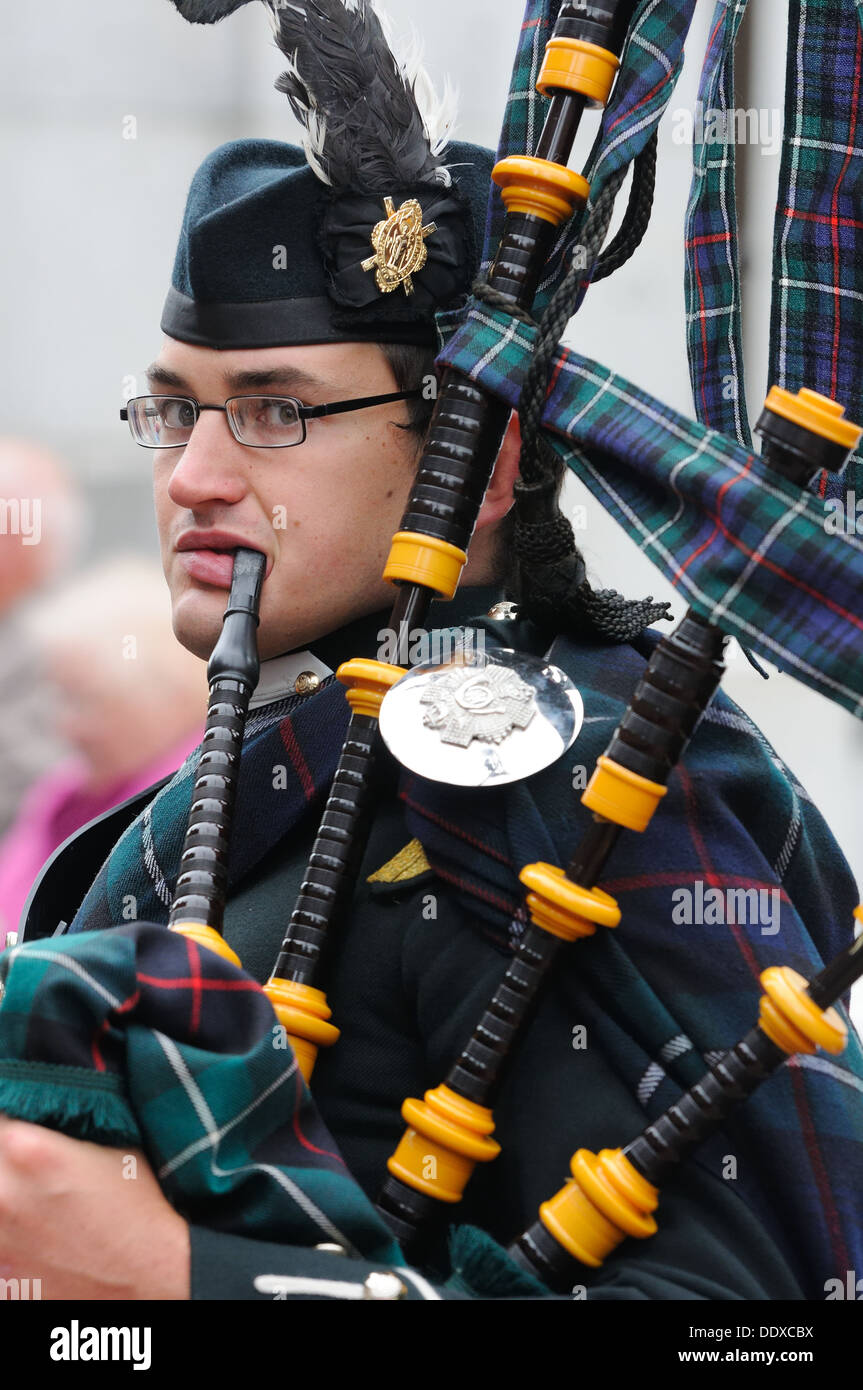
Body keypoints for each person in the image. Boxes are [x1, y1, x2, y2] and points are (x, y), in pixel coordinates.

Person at [6, 0, 861, 1301]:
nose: (190, 476)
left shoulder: (575, 785)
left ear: (486, 463)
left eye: (274, 409)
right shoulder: (218, 795)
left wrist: (179, 1277)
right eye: (171, 409)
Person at [0, 558, 206, 949]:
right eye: (62, 698)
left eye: (84, 702)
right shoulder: (67, 789)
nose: (65, 726)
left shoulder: (183, 802)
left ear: (163, 696)